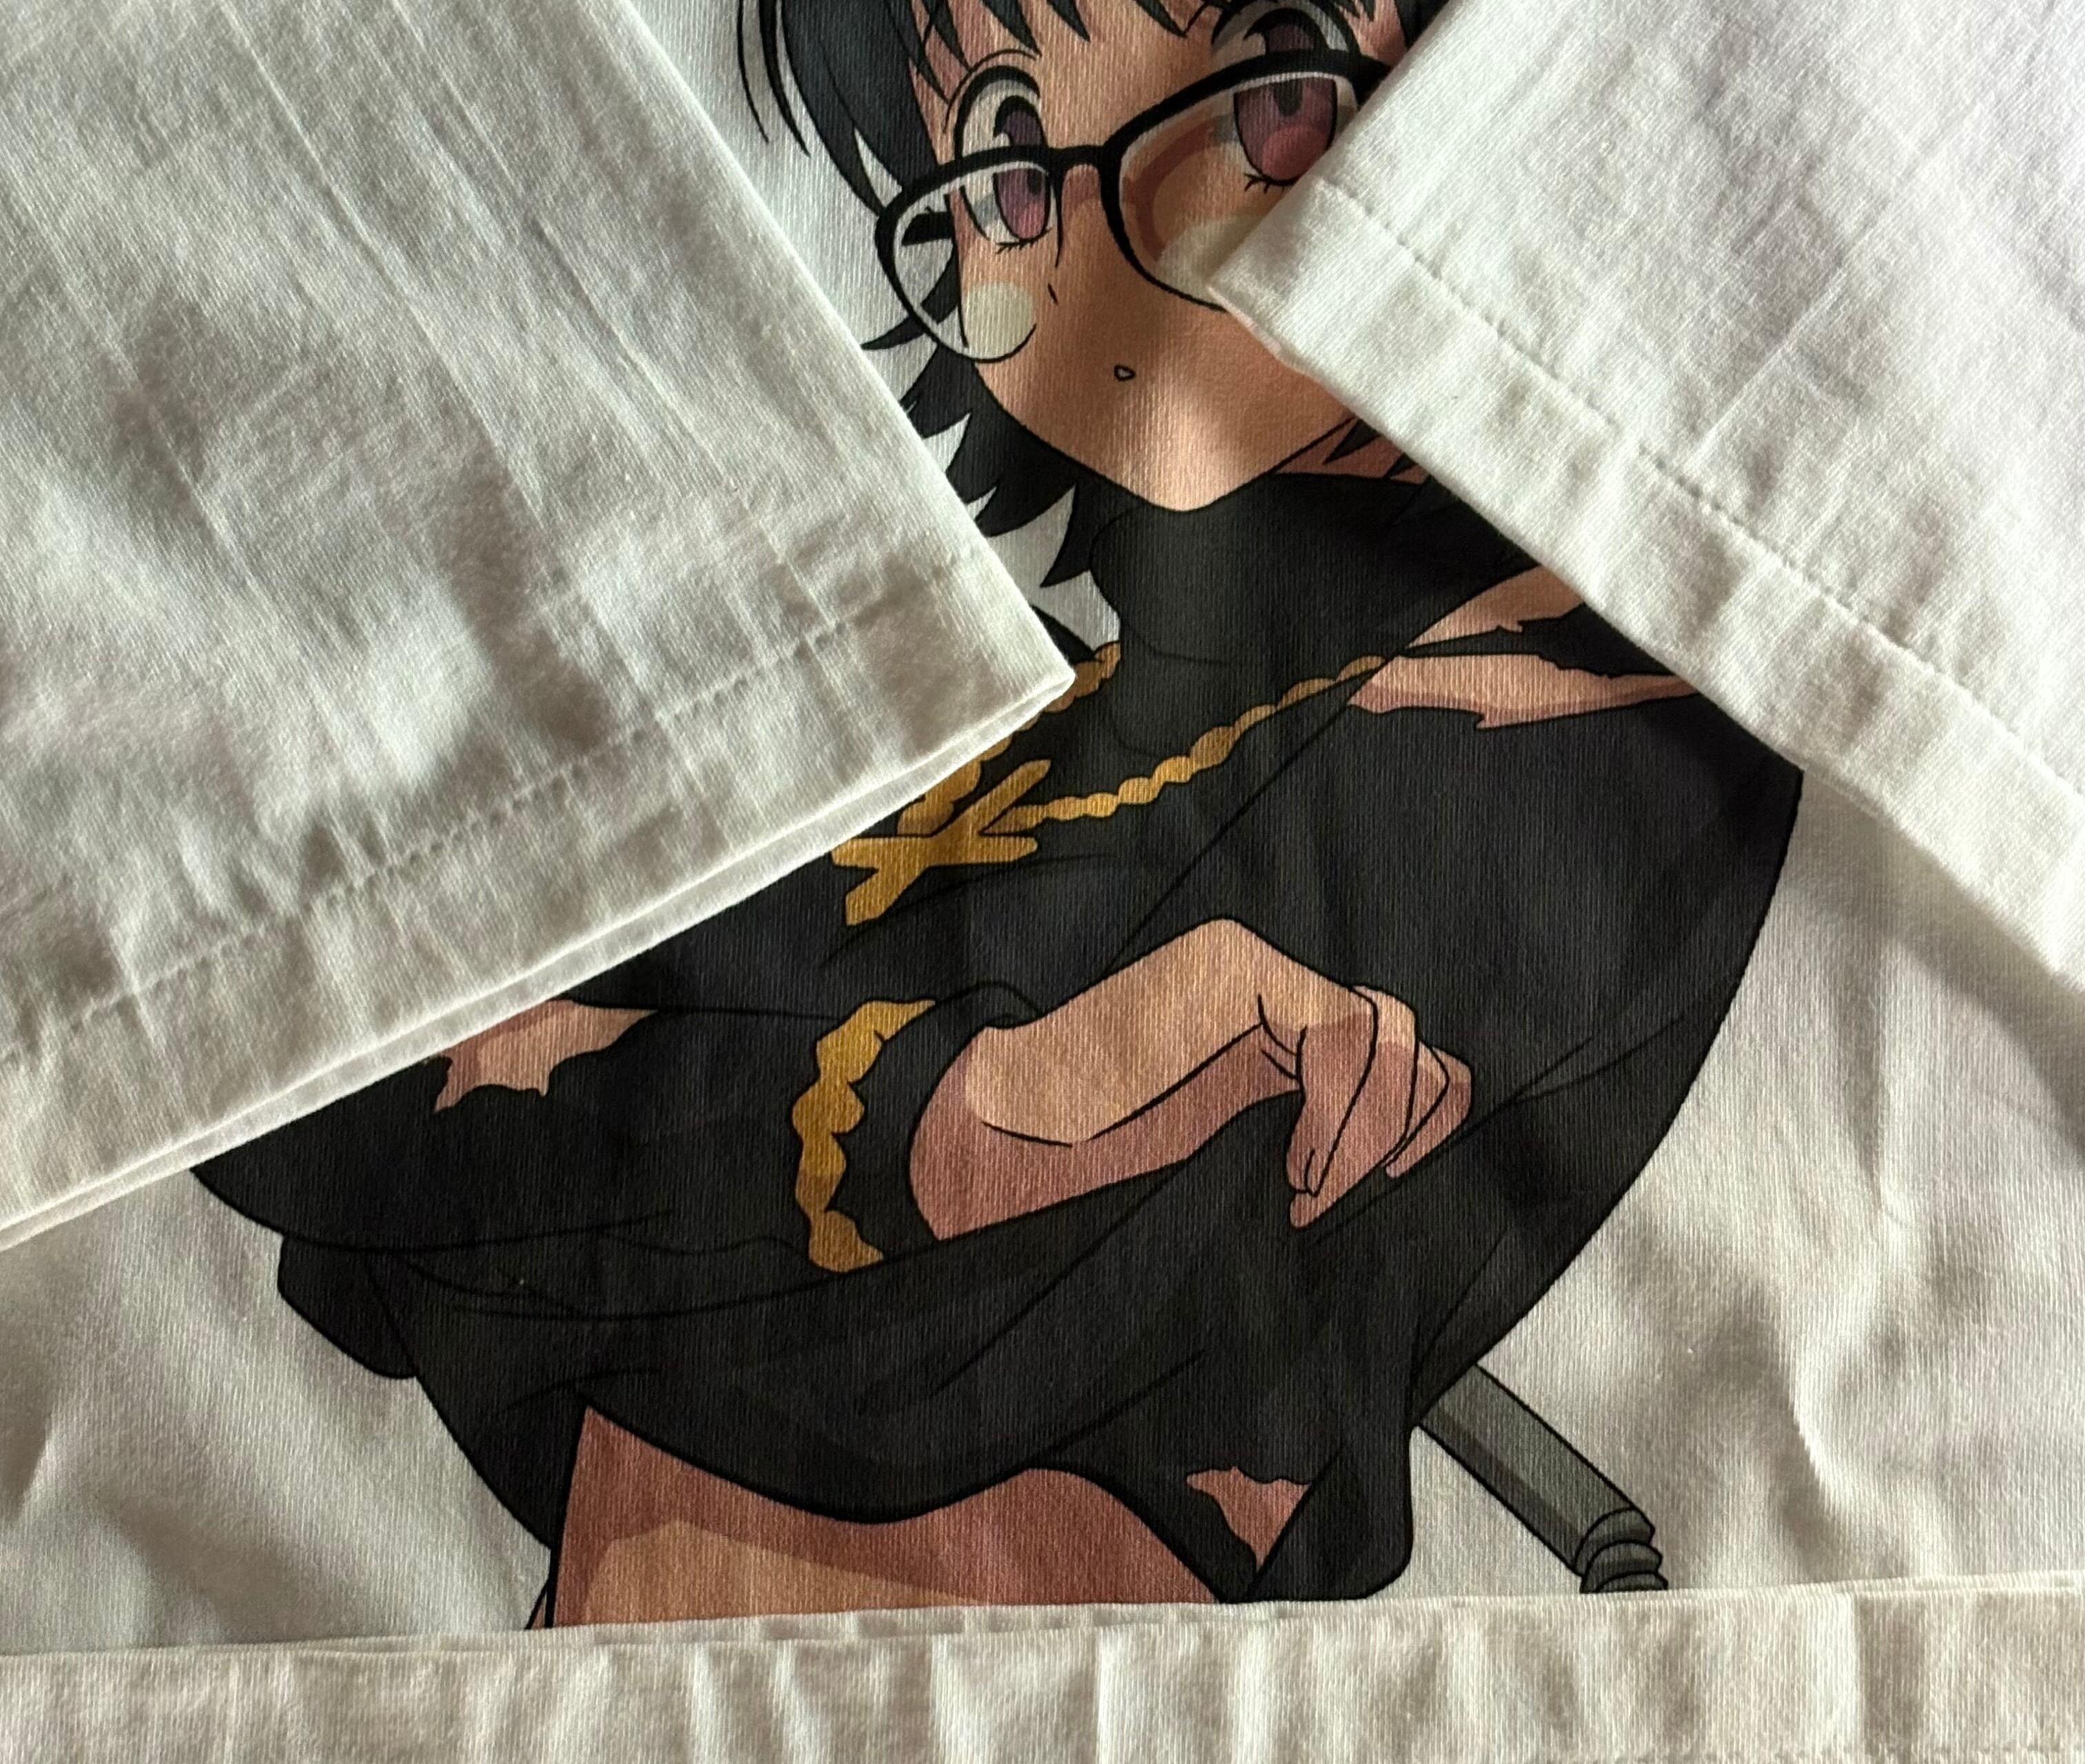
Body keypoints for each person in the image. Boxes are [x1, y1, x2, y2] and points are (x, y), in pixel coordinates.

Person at [195, 0, 1800, 1622]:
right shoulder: (1015, 705)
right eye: (1009, 159)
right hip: (626, 1691)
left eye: (1265, 70)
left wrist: (859, 1114)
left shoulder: (1567, 722)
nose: (1128, 222)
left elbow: (912, 1357)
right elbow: (300, 1090)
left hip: (975, 1717)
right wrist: (961, 1110)